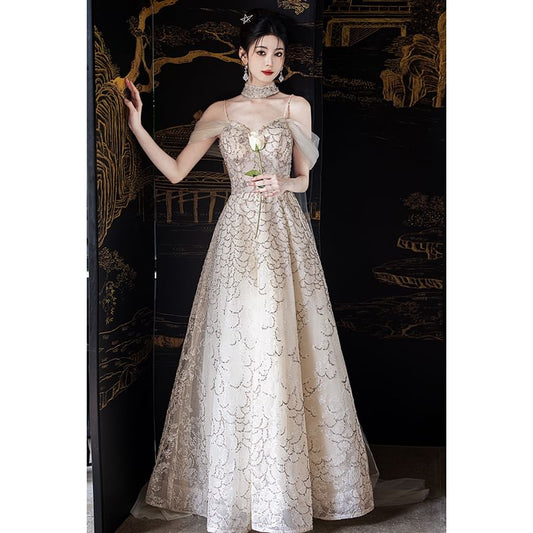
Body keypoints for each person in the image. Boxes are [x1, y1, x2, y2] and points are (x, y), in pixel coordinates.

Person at [124, 8, 429, 533]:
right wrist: (135, 126)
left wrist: (281, 183)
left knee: (286, 340)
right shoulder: (221, 112)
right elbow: (175, 172)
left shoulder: (295, 106)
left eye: (278, 53)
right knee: (240, 345)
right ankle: (242, 488)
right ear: (242, 56)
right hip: (237, 237)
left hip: (285, 233)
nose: (270, 61)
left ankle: (286, 489)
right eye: (261, 52)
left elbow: (304, 179)